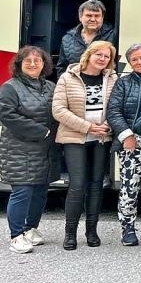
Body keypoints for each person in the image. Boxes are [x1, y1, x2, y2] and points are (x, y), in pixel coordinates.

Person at [53, 39, 116, 250]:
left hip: (101, 138)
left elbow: (116, 106)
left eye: (107, 56)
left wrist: (106, 125)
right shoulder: (68, 77)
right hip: (74, 136)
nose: (103, 59)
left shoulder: (112, 79)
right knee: (78, 184)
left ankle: (92, 231)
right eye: (99, 54)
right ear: (89, 54)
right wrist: (87, 127)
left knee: (97, 185)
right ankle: (70, 233)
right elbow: (59, 110)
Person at [0, 46, 56, 254]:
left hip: (45, 148)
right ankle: (16, 236)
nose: (33, 64)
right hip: (19, 148)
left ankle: (30, 228)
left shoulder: (50, 86)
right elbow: (7, 115)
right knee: (22, 192)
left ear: (44, 64)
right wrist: (41, 131)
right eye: (28, 61)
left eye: (38, 61)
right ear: (19, 64)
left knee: (40, 192)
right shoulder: (10, 87)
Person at [107, 43, 141, 247]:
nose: (139, 62)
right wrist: (126, 135)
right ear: (130, 63)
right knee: (130, 186)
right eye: (134, 59)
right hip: (133, 140)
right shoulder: (124, 83)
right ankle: (128, 228)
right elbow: (113, 111)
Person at [55, 0, 118, 77]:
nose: (93, 19)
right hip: (75, 85)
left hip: (104, 85)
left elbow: (117, 65)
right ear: (80, 17)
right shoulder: (67, 39)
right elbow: (62, 67)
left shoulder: (114, 36)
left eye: (97, 16)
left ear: (102, 18)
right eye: (89, 15)